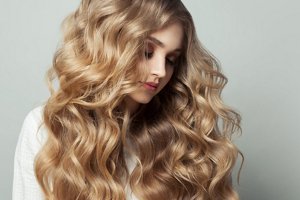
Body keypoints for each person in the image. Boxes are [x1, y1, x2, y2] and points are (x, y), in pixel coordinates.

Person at [13, 0, 242, 199]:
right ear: (111, 45)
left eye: (171, 59)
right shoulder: (46, 129)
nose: (161, 71)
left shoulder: (189, 135)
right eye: (147, 52)